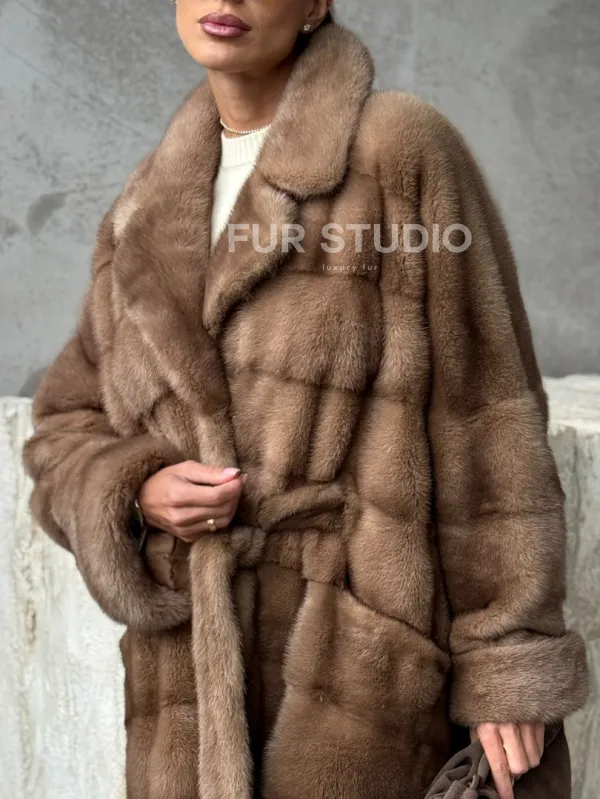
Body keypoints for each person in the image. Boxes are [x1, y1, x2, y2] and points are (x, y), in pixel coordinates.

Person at [22, 2, 589, 798]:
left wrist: (508, 659)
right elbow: (63, 425)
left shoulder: (399, 150)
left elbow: (487, 420)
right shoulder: (143, 211)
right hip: (186, 696)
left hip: (357, 679)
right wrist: (135, 487)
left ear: (317, 2)